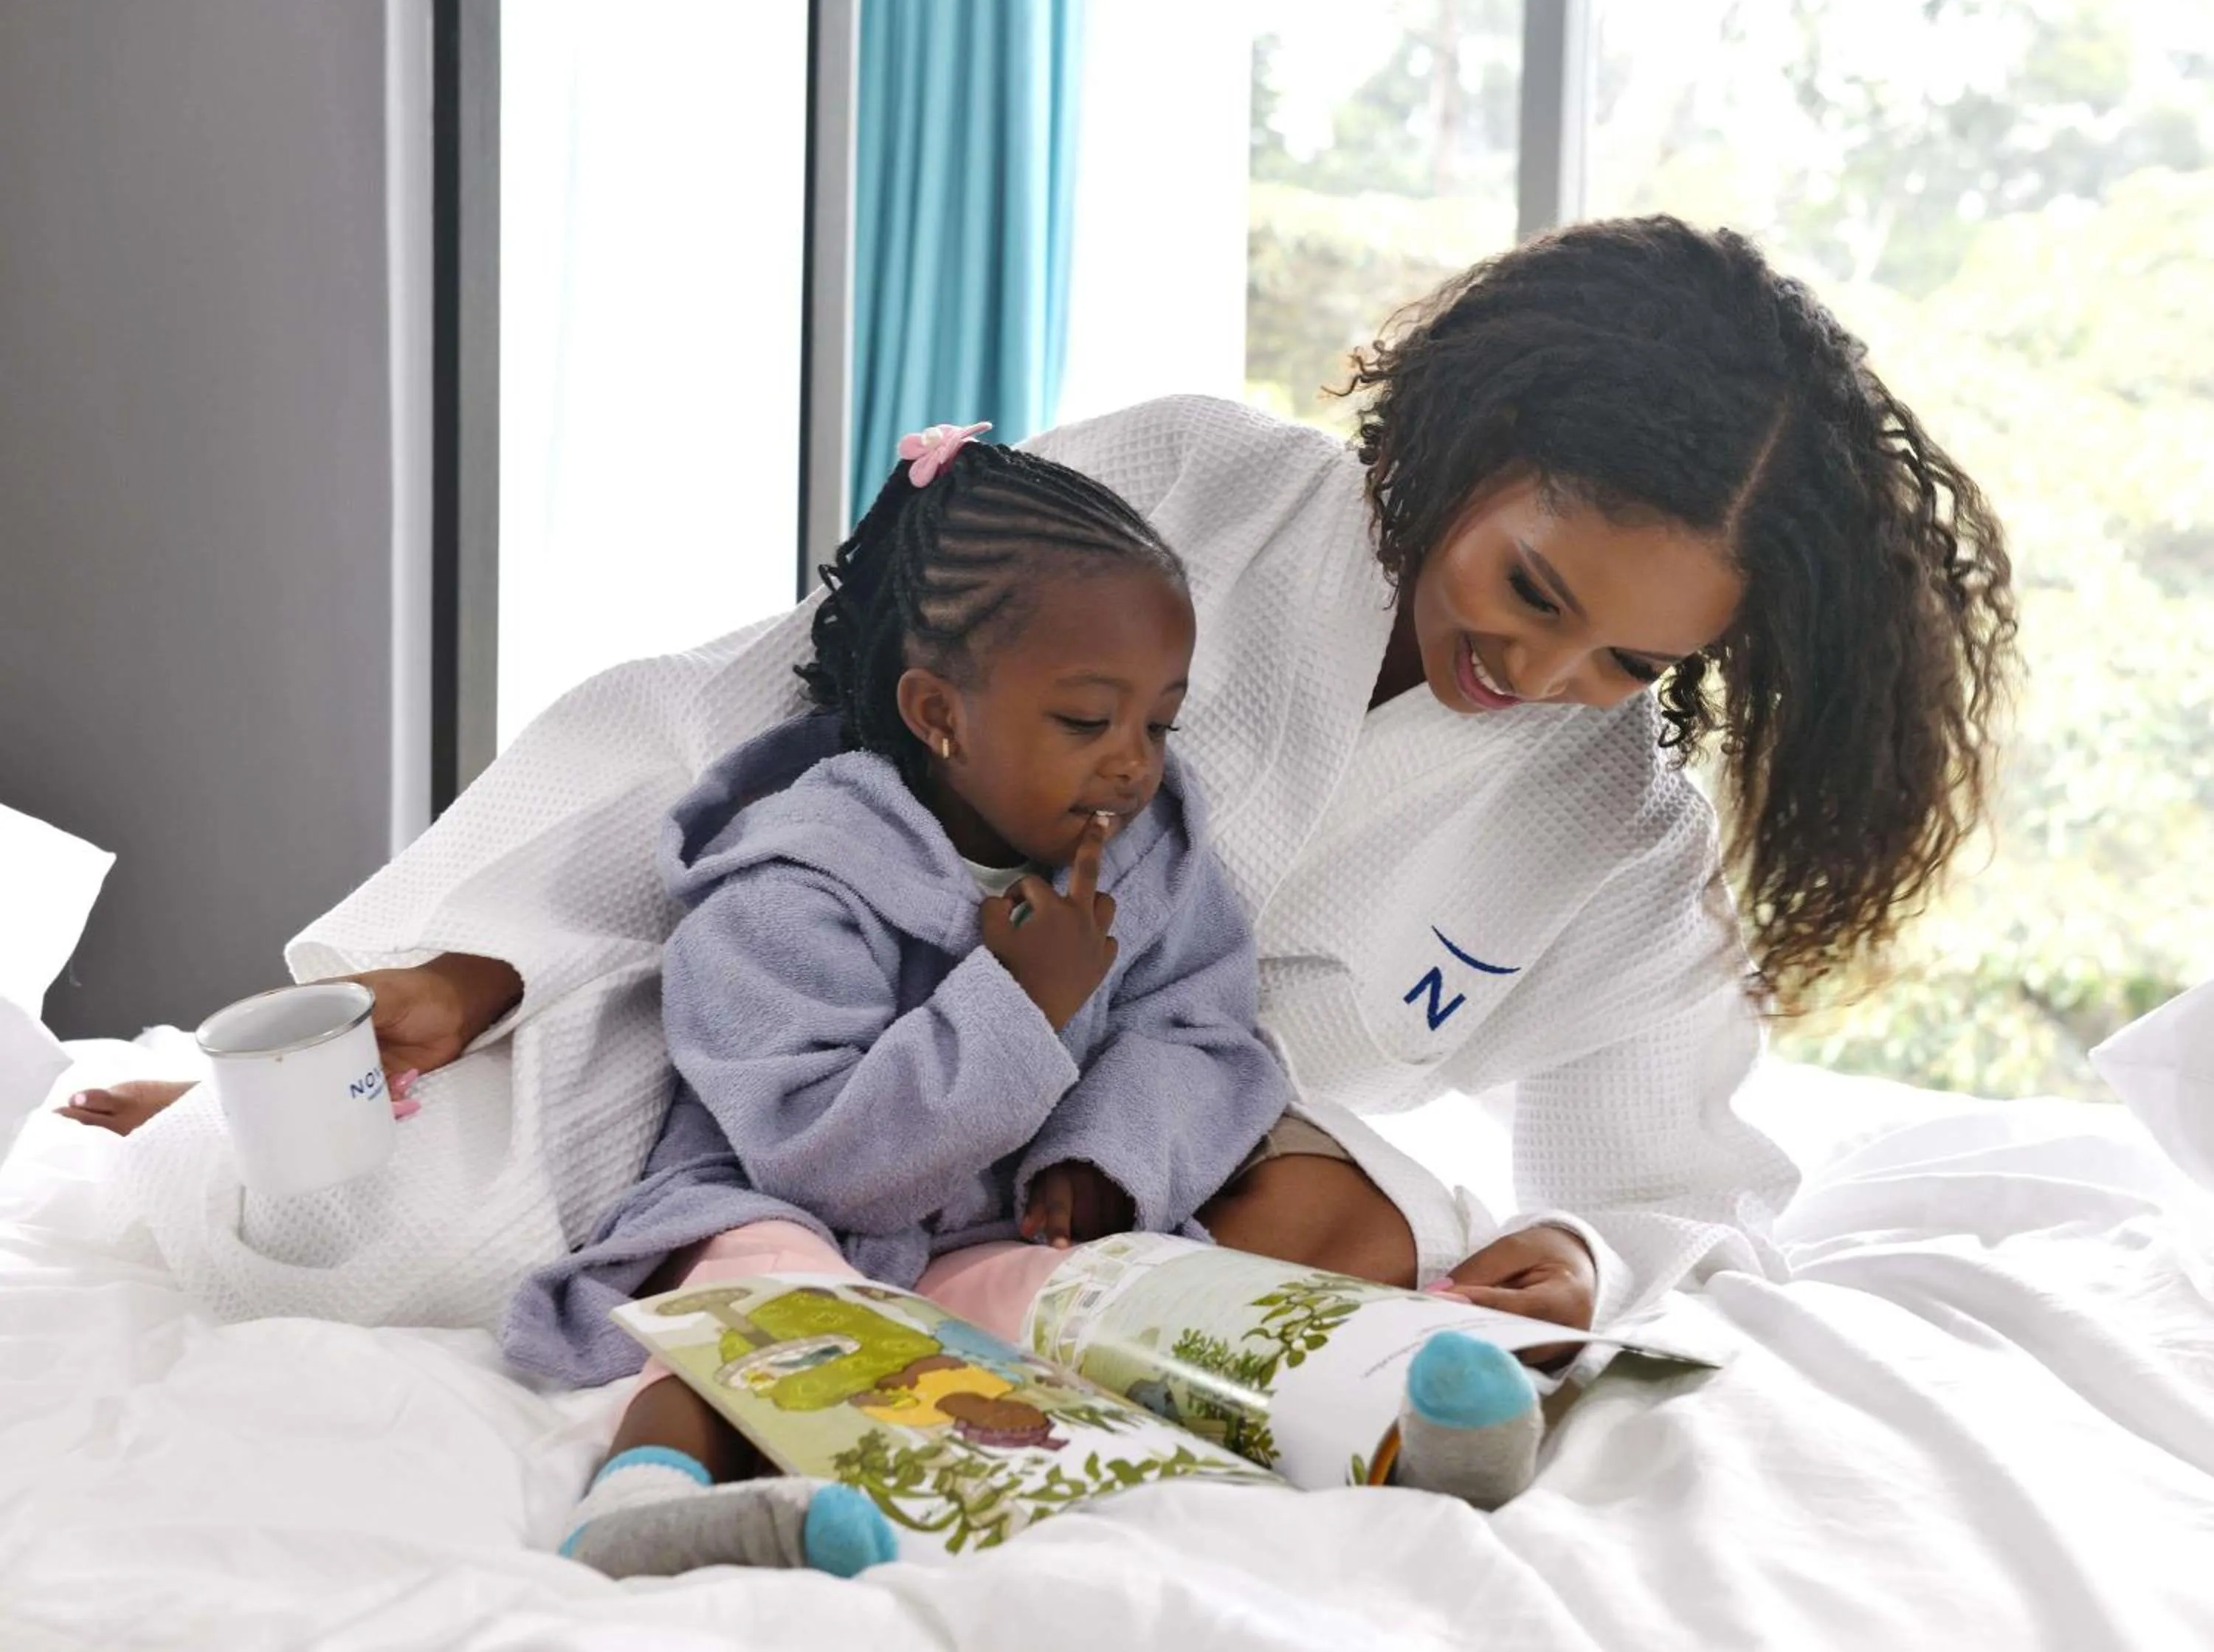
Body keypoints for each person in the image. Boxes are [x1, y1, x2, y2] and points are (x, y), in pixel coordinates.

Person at [66, 217, 2015, 1427]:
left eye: (1630, 663)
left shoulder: (1610, 832)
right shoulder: (1194, 484)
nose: (1549, 673)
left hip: (1132, 1160)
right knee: (302, 1224)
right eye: (1533, 588)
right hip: (845, 1028)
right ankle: (260, 1096)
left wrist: (1587, 1253)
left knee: (1346, 1238)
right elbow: (746, 715)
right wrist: (484, 960)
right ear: (1481, 438)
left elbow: (1686, 1176)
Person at [515, 426, 1551, 1578]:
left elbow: (1201, 1033)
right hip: (779, 1205)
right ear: (939, 712)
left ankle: (1403, 1433)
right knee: (770, 1315)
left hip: (987, 1225)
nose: (1132, 764)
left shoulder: (1151, 849)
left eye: (1158, 721)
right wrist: (1016, 1002)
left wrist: (1103, 1154)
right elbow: (813, 1155)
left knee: (1118, 1320)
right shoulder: (788, 877)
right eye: (1085, 721)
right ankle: (644, 1504)